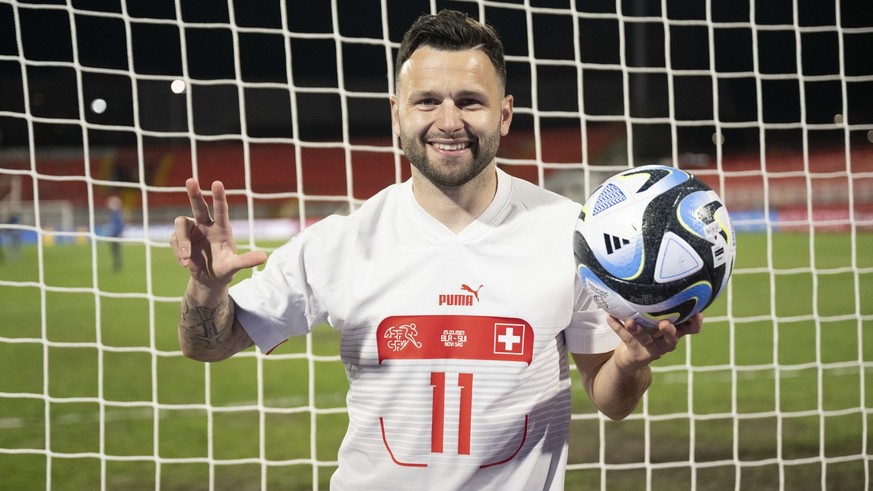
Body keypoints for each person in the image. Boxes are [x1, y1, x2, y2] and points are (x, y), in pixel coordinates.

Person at [169, 9, 703, 490]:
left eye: (470, 101)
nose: (449, 122)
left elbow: (610, 398)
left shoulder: (570, 235)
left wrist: (632, 361)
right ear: (398, 113)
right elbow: (206, 345)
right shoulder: (339, 241)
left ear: (506, 114)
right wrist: (206, 288)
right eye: (428, 101)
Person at [106, 195, 124, 271]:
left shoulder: (116, 214)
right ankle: (117, 264)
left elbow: (118, 225)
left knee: (115, 251)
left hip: (115, 235)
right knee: (115, 251)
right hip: (115, 234)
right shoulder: (116, 214)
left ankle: (117, 265)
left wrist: (116, 232)